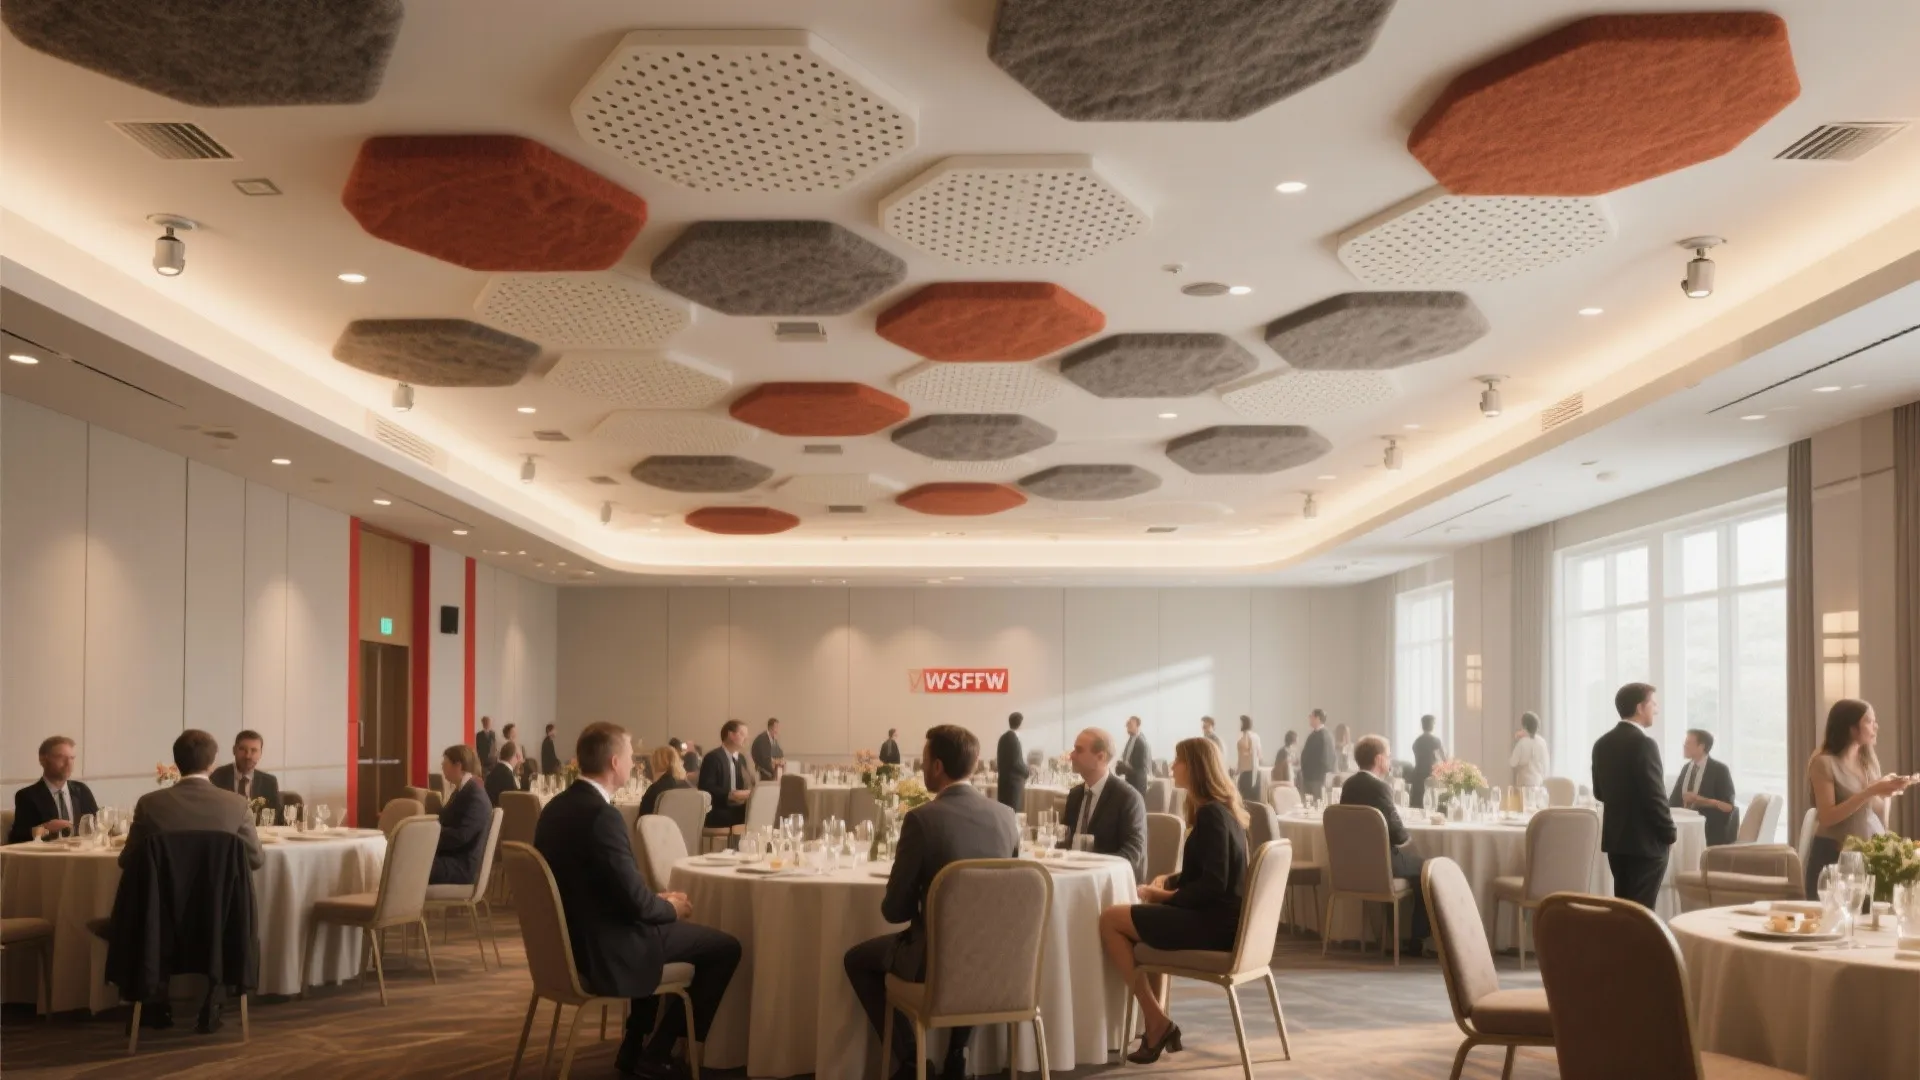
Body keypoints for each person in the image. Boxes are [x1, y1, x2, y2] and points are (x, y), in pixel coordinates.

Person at [536, 722, 740, 1080]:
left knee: (656, 922)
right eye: (631, 756)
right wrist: (669, 907)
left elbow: (603, 887)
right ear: (615, 762)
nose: (635, 763)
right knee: (725, 948)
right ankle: (658, 1051)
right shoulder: (602, 816)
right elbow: (637, 906)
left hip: (567, 945)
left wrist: (653, 901)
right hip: (606, 948)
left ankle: (633, 1047)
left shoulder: (554, 808)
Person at [843, 725, 1020, 1080]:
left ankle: (913, 1060)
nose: (921, 767)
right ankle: (958, 1052)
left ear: (937, 766)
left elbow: (894, 911)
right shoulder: (1006, 816)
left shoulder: (922, 819)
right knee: (972, 943)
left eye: (923, 760)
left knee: (857, 960)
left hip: (936, 962)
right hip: (997, 959)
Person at [1098, 737, 1248, 1064]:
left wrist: (1163, 895)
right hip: (1224, 922)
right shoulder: (1222, 811)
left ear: (1195, 767)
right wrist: (1170, 879)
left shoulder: (1211, 815)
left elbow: (1213, 884)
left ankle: (1156, 1020)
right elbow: (1211, 872)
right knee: (1148, 921)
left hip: (1213, 926)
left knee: (1110, 920)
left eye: (1178, 761)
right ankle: (1156, 1021)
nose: (1172, 767)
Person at [120, 728, 264, 1033]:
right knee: (227, 918)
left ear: (176, 763)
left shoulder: (150, 804)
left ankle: (155, 1000)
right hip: (219, 918)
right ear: (212, 763)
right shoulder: (236, 805)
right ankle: (214, 999)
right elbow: (255, 860)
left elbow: (127, 860)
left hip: (161, 920)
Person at [1805, 698, 1911, 897]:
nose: (1876, 726)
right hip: (1833, 854)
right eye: (1869, 721)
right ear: (1852, 728)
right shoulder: (1824, 763)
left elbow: (1876, 815)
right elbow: (1827, 817)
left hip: (1864, 856)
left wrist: (1888, 791)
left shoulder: (1867, 762)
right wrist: (1871, 790)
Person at [1339, 736, 1430, 954]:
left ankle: (1392, 937)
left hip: (1352, 865)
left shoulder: (1348, 785)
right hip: (1381, 865)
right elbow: (1399, 836)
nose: (1390, 760)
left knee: (1411, 865)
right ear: (1379, 759)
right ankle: (1417, 940)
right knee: (1427, 869)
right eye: (1388, 756)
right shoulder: (1380, 788)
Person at [1592, 683, 1676, 909]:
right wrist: (1670, 833)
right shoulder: (1644, 743)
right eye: (1653, 704)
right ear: (1640, 707)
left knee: (1624, 910)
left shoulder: (1601, 743)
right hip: (1646, 843)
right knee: (1642, 913)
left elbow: (1599, 792)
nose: (1656, 709)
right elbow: (1655, 796)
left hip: (1617, 842)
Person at [1062, 727, 1148, 883]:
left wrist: (1091, 868)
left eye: (1078, 750)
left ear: (1100, 757)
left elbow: (1133, 853)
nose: (1071, 755)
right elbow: (1064, 840)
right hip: (1070, 878)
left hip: (1108, 883)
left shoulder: (1128, 798)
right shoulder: (1075, 795)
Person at [9, 735, 100, 843]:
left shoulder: (81, 790)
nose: (68, 763)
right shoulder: (27, 796)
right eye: (61, 757)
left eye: (72, 758)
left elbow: (98, 824)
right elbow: (17, 837)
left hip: (82, 850)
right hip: (48, 853)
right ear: (43, 760)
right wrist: (44, 828)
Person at [430, 745, 493, 886]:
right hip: (453, 857)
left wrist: (430, 835)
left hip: (462, 866)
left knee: (409, 865)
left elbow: (462, 835)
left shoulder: (474, 794)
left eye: (445, 762)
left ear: (458, 766)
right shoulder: (464, 790)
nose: (442, 766)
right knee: (409, 859)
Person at [1670, 729, 1739, 845]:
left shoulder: (1720, 770)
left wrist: (1699, 800)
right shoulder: (1686, 768)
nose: (1684, 746)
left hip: (1709, 832)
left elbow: (1728, 807)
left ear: (1701, 746)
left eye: (1688, 743)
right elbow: (1673, 801)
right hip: (1683, 830)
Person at [209, 729, 283, 824]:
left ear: (260, 753)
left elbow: (277, 817)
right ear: (234, 750)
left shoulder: (269, 781)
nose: (248, 756)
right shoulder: (217, 776)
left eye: (254, 750)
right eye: (243, 749)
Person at [698, 721, 753, 829]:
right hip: (718, 809)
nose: (746, 739)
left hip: (739, 808)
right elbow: (706, 787)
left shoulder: (741, 759)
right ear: (731, 735)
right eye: (742, 734)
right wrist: (730, 795)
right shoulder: (713, 757)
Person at [638, 746, 690, 817]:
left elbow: (642, 817)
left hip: (658, 823)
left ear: (655, 763)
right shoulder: (687, 786)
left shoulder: (655, 789)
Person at [996, 712, 1029, 816]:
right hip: (1013, 784)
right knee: (1013, 813)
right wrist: (1028, 771)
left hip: (1004, 782)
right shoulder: (1013, 739)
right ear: (1021, 724)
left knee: (1004, 813)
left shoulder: (1003, 738)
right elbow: (1016, 763)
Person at [1410, 715, 1445, 809]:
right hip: (1431, 775)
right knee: (1432, 804)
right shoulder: (1435, 741)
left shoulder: (1417, 741)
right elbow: (1443, 759)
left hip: (1417, 775)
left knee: (1417, 804)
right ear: (1432, 725)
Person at [1509, 712, 1551, 789]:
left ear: (1524, 726)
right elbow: (1546, 764)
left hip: (1524, 783)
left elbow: (1513, 763)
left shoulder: (1522, 743)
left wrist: (1516, 741)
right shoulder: (1542, 742)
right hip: (1538, 783)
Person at [1299, 709, 1333, 801]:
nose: (1309, 718)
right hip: (1310, 777)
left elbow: (1324, 758)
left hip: (1316, 778)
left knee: (1316, 802)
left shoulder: (1323, 736)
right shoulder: (1316, 734)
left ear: (1317, 719)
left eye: (1311, 716)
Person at [1114, 715, 1151, 798]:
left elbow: (1141, 767)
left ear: (1138, 726)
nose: (1127, 726)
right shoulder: (1131, 740)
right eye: (1127, 724)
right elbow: (1128, 760)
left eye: (1130, 724)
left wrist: (1124, 768)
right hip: (1130, 780)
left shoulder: (1141, 742)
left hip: (1138, 782)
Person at [1235, 715, 1263, 803]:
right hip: (1256, 773)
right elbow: (1260, 755)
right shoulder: (1256, 736)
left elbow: (1242, 757)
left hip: (1247, 774)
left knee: (1245, 801)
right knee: (1255, 802)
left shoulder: (1243, 739)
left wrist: (1237, 771)